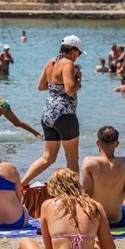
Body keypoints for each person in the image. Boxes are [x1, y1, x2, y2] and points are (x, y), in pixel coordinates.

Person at [19, 168, 116, 249]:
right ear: (78, 185)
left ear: (52, 188)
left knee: (24, 241)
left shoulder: (47, 206)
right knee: (95, 244)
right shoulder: (96, 206)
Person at [22, 35, 83, 187]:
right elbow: (70, 90)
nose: (78, 57)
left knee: (47, 158)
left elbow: (41, 86)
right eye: (79, 53)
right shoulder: (68, 63)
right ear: (72, 50)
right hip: (64, 114)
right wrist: (78, 82)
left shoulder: (50, 63)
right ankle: (75, 193)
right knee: (72, 158)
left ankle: (21, 184)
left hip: (48, 113)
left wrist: (57, 85)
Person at [81, 126, 125, 235]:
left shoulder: (89, 163)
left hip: (97, 221)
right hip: (117, 221)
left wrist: (84, 223)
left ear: (98, 143)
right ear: (117, 144)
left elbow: (85, 195)